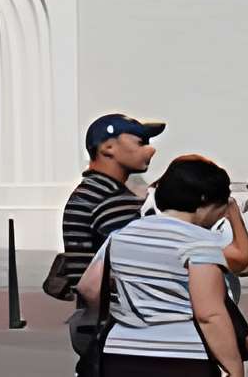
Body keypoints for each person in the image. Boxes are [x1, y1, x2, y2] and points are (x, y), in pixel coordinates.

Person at [79, 157, 247, 376]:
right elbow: (209, 314)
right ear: (205, 200)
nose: (222, 214)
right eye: (222, 206)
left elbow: (88, 287)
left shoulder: (120, 236)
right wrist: (234, 368)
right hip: (182, 356)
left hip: (119, 353)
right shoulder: (201, 242)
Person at [56, 115, 164, 356]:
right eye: (140, 142)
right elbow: (145, 257)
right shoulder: (108, 198)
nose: (151, 150)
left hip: (97, 321)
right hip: (118, 325)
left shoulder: (92, 191)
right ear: (108, 148)